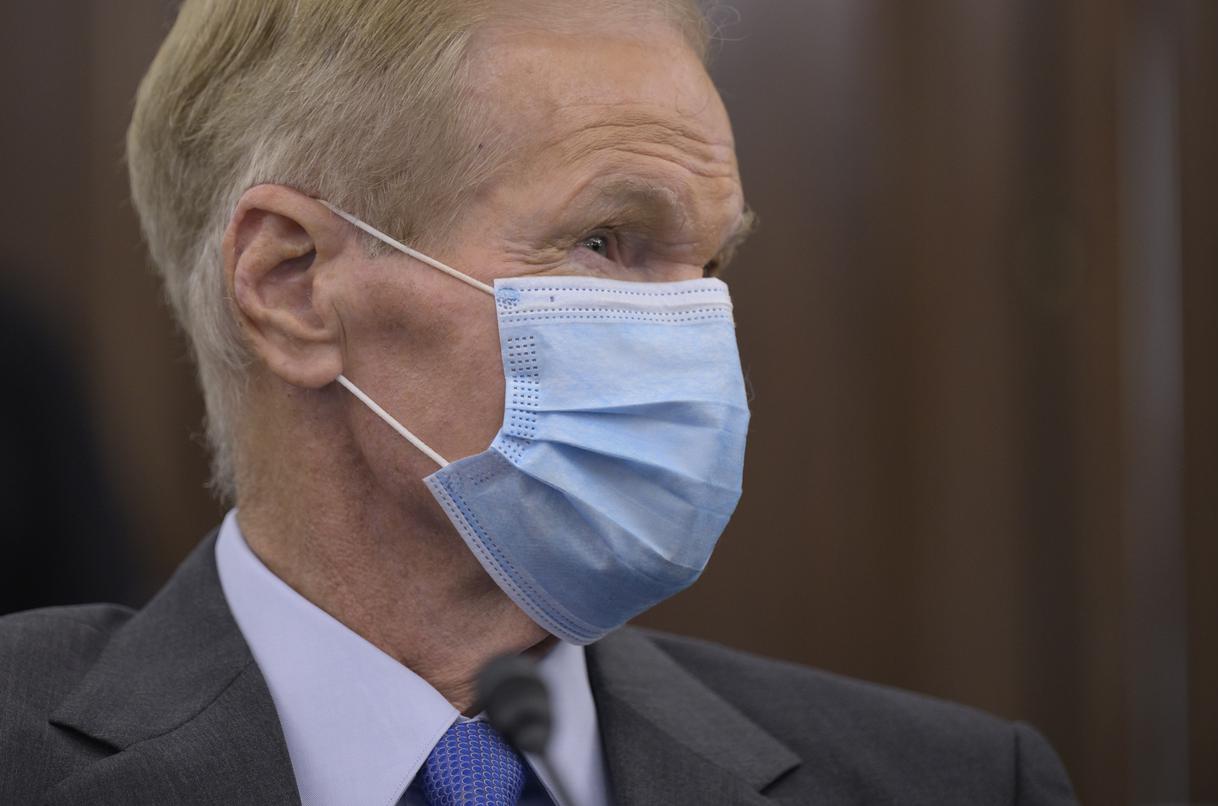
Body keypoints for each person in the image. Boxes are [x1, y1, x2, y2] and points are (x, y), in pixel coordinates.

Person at [0, 1, 1076, 803]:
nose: (697, 332)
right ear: (293, 285)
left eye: (708, 263)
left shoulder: (958, 781)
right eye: (609, 240)